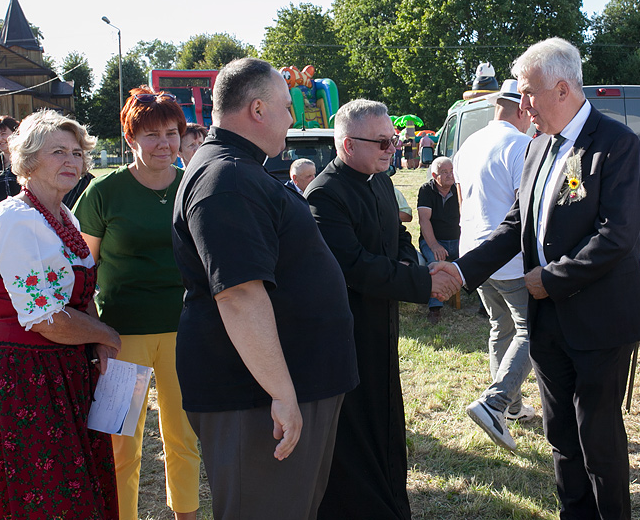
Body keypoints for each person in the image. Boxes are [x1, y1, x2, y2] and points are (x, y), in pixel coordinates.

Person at [433, 37, 640, 519]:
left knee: (598, 441)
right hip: (550, 324)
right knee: (561, 439)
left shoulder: (616, 145)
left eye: (528, 93)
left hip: (600, 323)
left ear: (560, 89)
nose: (520, 103)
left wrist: (550, 280)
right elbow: (515, 227)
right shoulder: (536, 148)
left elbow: (616, 236)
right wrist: (459, 271)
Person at [172, 58, 358, 520]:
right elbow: (238, 294)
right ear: (257, 109)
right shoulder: (227, 178)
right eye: (286, 108)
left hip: (279, 388)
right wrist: (282, 393)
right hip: (254, 399)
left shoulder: (238, 169)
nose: (293, 119)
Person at [0, 110, 121, 519]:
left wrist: (95, 337)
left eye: (76, 153)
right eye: (58, 152)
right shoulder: (17, 218)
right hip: (21, 376)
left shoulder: (62, 216)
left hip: (62, 370)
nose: (72, 161)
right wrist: (105, 335)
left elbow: (77, 296)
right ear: (29, 159)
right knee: (40, 495)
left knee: (73, 492)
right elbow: (47, 317)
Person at [305, 99, 458, 520]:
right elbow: (355, 266)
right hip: (347, 331)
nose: (394, 148)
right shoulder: (325, 193)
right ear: (348, 144)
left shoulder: (381, 181)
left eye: (393, 140)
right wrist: (425, 283)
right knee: (355, 431)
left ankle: (390, 503)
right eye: (383, 142)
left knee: (386, 417)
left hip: (382, 324)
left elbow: (398, 239)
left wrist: (421, 265)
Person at [74, 87, 200, 520]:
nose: (165, 143)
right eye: (152, 135)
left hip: (185, 331)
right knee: (120, 443)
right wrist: (95, 334)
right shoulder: (104, 192)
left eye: (172, 132)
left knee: (183, 438)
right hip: (120, 336)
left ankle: (187, 513)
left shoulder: (194, 186)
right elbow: (81, 272)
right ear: (131, 138)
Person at [453, 79, 536, 448]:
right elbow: (527, 210)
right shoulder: (521, 144)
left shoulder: (468, 144)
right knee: (533, 331)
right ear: (521, 108)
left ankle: (511, 406)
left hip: (475, 254)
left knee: (501, 328)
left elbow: (460, 200)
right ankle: (496, 402)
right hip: (509, 256)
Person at [418, 156, 460, 324]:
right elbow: (424, 220)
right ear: (434, 176)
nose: (450, 175)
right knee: (436, 263)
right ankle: (435, 308)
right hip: (435, 240)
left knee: (477, 256)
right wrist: (434, 245)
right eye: (445, 172)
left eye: (452, 171)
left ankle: (483, 304)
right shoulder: (426, 190)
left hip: (457, 239)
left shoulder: (458, 188)